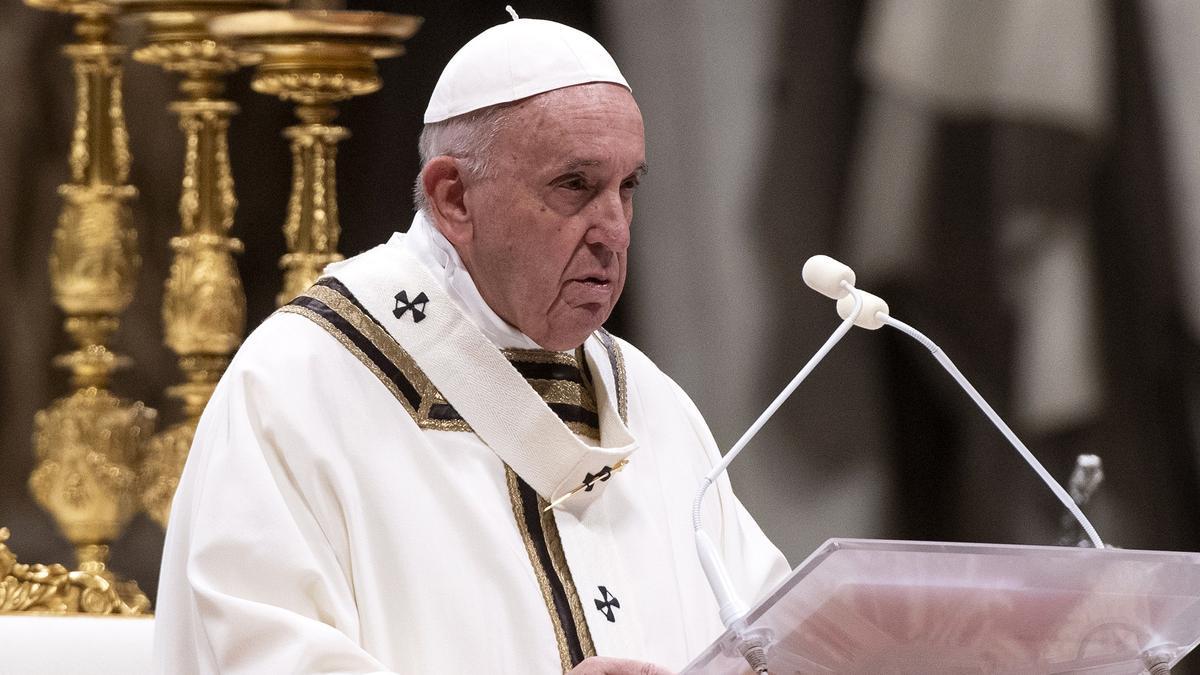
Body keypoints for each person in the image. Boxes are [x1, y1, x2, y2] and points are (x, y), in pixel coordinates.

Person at [154, 15, 788, 675]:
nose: (614, 232)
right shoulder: (295, 386)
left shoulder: (652, 404)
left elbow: (775, 634)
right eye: (575, 185)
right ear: (453, 196)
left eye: (627, 188)